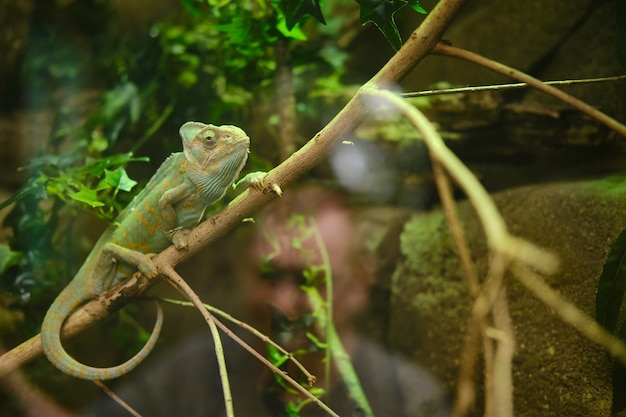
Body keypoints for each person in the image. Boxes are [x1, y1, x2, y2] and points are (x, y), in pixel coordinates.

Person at [89, 186, 450, 417]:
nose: (283, 302)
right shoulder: (194, 372)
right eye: (270, 276)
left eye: (311, 281)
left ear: (360, 283)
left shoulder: (409, 400)